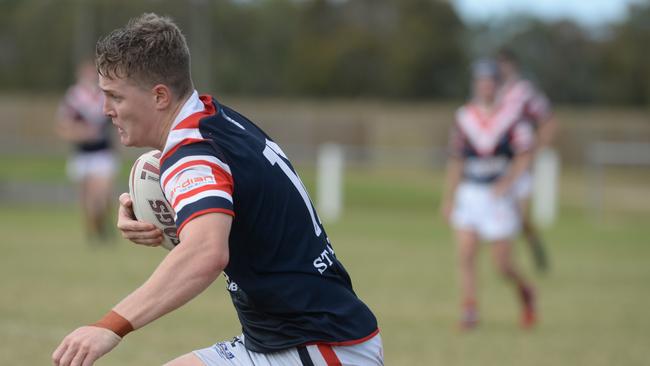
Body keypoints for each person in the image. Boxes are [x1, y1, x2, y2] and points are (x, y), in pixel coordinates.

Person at [52, 13, 382, 366]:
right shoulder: (214, 120)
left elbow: (207, 253)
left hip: (317, 345)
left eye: (114, 97)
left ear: (159, 95)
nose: (105, 111)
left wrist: (109, 327)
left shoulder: (192, 154)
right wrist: (162, 216)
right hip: (290, 338)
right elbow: (237, 215)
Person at [440, 59, 536, 330]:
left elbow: (524, 155)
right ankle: (469, 309)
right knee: (466, 253)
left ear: (497, 84)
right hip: (470, 192)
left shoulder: (512, 118)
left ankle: (526, 292)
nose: (485, 86)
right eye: (481, 81)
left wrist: (508, 181)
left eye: (490, 81)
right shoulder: (464, 117)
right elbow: (457, 160)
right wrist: (448, 197)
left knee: (502, 264)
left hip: (498, 196)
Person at [496, 48, 558, 272]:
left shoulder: (524, 91)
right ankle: (505, 260)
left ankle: (528, 246)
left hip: (520, 160)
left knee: (520, 216)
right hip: (497, 164)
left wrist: (538, 150)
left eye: (506, 65)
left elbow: (547, 119)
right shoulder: (493, 91)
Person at [56, 60, 118, 242]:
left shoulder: (105, 96)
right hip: (82, 154)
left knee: (103, 196)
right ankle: (95, 232)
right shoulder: (74, 97)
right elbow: (63, 126)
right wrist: (81, 133)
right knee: (88, 200)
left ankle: (103, 226)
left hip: (103, 153)